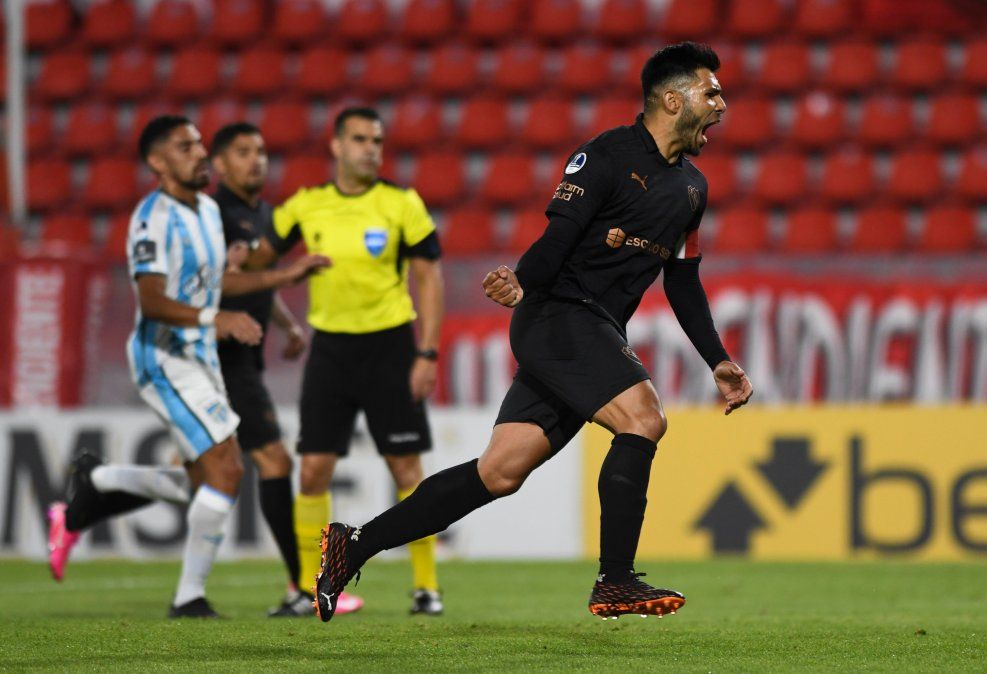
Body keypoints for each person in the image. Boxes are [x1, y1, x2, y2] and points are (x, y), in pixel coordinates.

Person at [311, 42, 754, 623]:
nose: (721, 104)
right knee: (644, 418)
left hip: (589, 329)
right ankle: (615, 580)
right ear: (672, 100)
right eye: (710, 92)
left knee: (499, 472)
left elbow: (683, 281)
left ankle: (353, 544)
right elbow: (557, 240)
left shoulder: (692, 188)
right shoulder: (605, 156)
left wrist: (717, 359)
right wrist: (522, 280)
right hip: (557, 316)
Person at [46, 115, 329, 618]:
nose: (199, 153)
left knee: (202, 482)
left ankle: (100, 479)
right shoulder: (151, 219)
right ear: (157, 162)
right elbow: (152, 300)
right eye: (185, 147)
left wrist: (282, 279)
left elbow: (220, 282)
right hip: (163, 358)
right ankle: (188, 598)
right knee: (227, 468)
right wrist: (215, 318)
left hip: (200, 357)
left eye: (199, 144)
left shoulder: (206, 210)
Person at [246, 107, 445, 616]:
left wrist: (427, 351)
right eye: (359, 139)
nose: (370, 149)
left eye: (376, 140)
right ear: (336, 146)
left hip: (390, 346)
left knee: (406, 466)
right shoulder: (306, 205)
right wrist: (275, 283)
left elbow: (429, 278)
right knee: (313, 470)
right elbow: (257, 263)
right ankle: (307, 588)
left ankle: (426, 587)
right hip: (331, 350)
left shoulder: (401, 203)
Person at [209, 122, 319, 617]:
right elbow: (219, 283)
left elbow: (257, 281)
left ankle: (99, 486)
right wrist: (287, 275)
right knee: (274, 461)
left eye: (260, 151)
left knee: (201, 474)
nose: (256, 159)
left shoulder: (266, 217)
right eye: (242, 151)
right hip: (220, 356)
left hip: (244, 356)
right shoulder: (212, 215)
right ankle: (301, 588)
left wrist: (287, 324)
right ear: (219, 163)